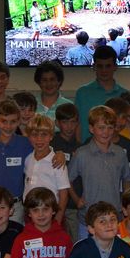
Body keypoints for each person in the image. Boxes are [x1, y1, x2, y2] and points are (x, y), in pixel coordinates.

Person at [68, 106, 130, 240]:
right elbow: (67, 179)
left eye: (110, 127)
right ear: (91, 129)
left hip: (114, 218)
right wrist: (76, 199)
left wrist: (124, 202)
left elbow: (127, 178)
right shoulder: (82, 153)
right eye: (101, 128)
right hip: (87, 218)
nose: (106, 132)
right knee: (87, 252)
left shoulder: (120, 153)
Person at [10, 187, 72, 258]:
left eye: (45, 209)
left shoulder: (64, 238)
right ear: (29, 213)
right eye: (35, 210)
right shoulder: (21, 240)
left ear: (53, 210)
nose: (41, 214)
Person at [24, 115, 71, 225]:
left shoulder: (57, 161)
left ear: (51, 136)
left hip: (51, 216)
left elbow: (64, 193)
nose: (39, 139)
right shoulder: (28, 159)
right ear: (29, 137)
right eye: (34, 135)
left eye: (44, 134)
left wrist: (58, 219)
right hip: (30, 214)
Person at [75, 46, 127, 141]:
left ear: (115, 66)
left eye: (108, 66)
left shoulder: (124, 95)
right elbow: (77, 125)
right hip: (87, 147)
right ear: (94, 67)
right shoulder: (82, 93)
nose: (104, 70)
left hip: (116, 148)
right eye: (100, 66)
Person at [51, 103, 82, 241]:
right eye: (65, 122)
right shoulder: (50, 145)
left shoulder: (81, 147)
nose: (69, 126)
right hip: (54, 205)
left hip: (74, 206)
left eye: (73, 122)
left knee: (74, 243)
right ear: (57, 123)